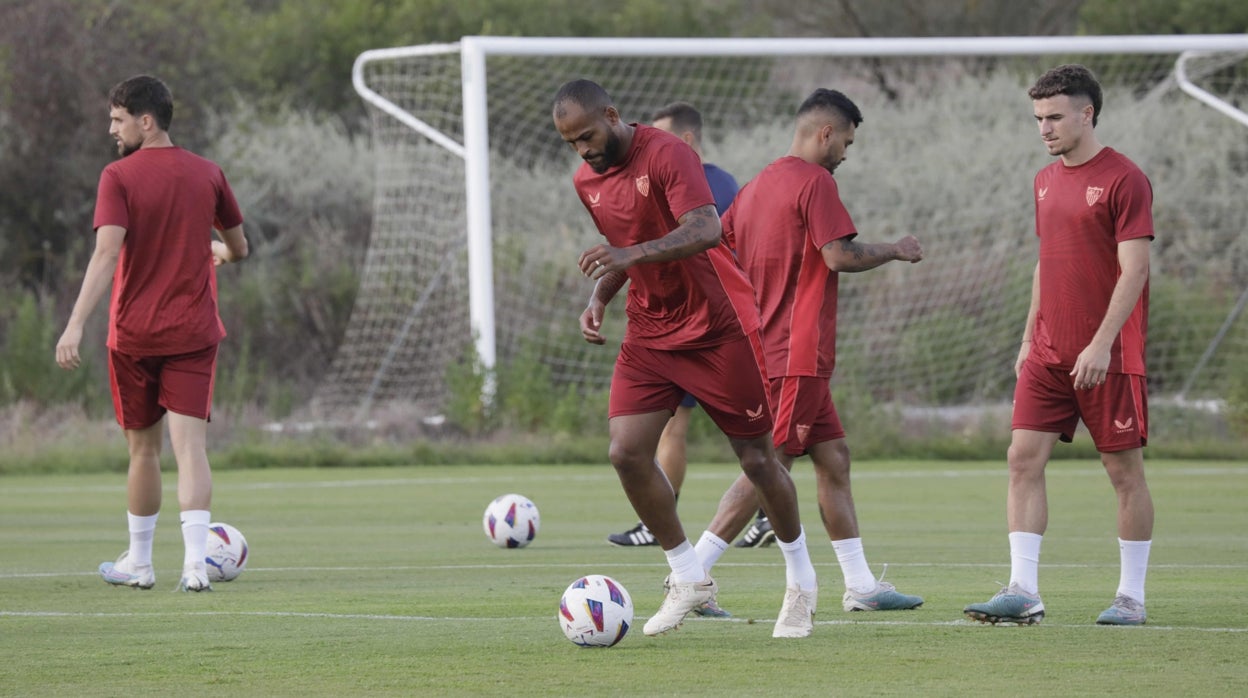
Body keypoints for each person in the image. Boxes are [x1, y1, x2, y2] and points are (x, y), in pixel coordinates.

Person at [552, 79, 819, 638]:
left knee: (757, 460)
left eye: (588, 136)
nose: (583, 150)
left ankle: (801, 582)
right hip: (651, 331)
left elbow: (705, 228)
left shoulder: (669, 154)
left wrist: (627, 253)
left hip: (717, 325)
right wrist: (599, 298)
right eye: (571, 142)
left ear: (612, 114)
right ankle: (689, 577)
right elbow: (625, 254)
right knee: (626, 452)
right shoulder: (586, 181)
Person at [688, 88, 926, 614]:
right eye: (846, 142)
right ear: (825, 133)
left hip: (767, 350)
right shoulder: (816, 182)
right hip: (796, 355)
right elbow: (837, 256)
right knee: (768, 465)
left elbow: (718, 257)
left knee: (834, 459)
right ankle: (691, 575)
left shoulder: (755, 187)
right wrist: (896, 249)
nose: (845, 154)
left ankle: (861, 585)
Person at [963, 65, 1155, 627]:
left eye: (1053, 117)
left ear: (1086, 114)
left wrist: (1101, 344)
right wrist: (1029, 336)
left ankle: (1131, 598)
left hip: (1108, 356)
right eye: (1037, 118)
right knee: (1021, 459)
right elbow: (1045, 264)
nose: (1043, 129)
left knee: (1123, 472)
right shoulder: (1044, 180)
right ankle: (1023, 591)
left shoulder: (1125, 179)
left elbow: (1135, 270)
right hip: (1047, 354)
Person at [55, 75, 249, 593]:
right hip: (193, 333)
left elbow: (106, 253)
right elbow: (239, 247)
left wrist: (75, 323)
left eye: (118, 119)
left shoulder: (117, 176)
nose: (111, 129)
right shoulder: (208, 173)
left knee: (143, 452)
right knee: (191, 450)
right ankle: (195, 567)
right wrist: (222, 253)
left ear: (146, 121)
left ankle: (140, 565)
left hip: (134, 336)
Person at [606, 101, 742, 553]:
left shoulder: (708, 184)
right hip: (679, 324)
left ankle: (759, 513)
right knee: (677, 427)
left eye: (661, 137)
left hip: (710, 322)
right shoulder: (710, 181)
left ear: (684, 140)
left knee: (750, 435)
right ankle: (665, 523)